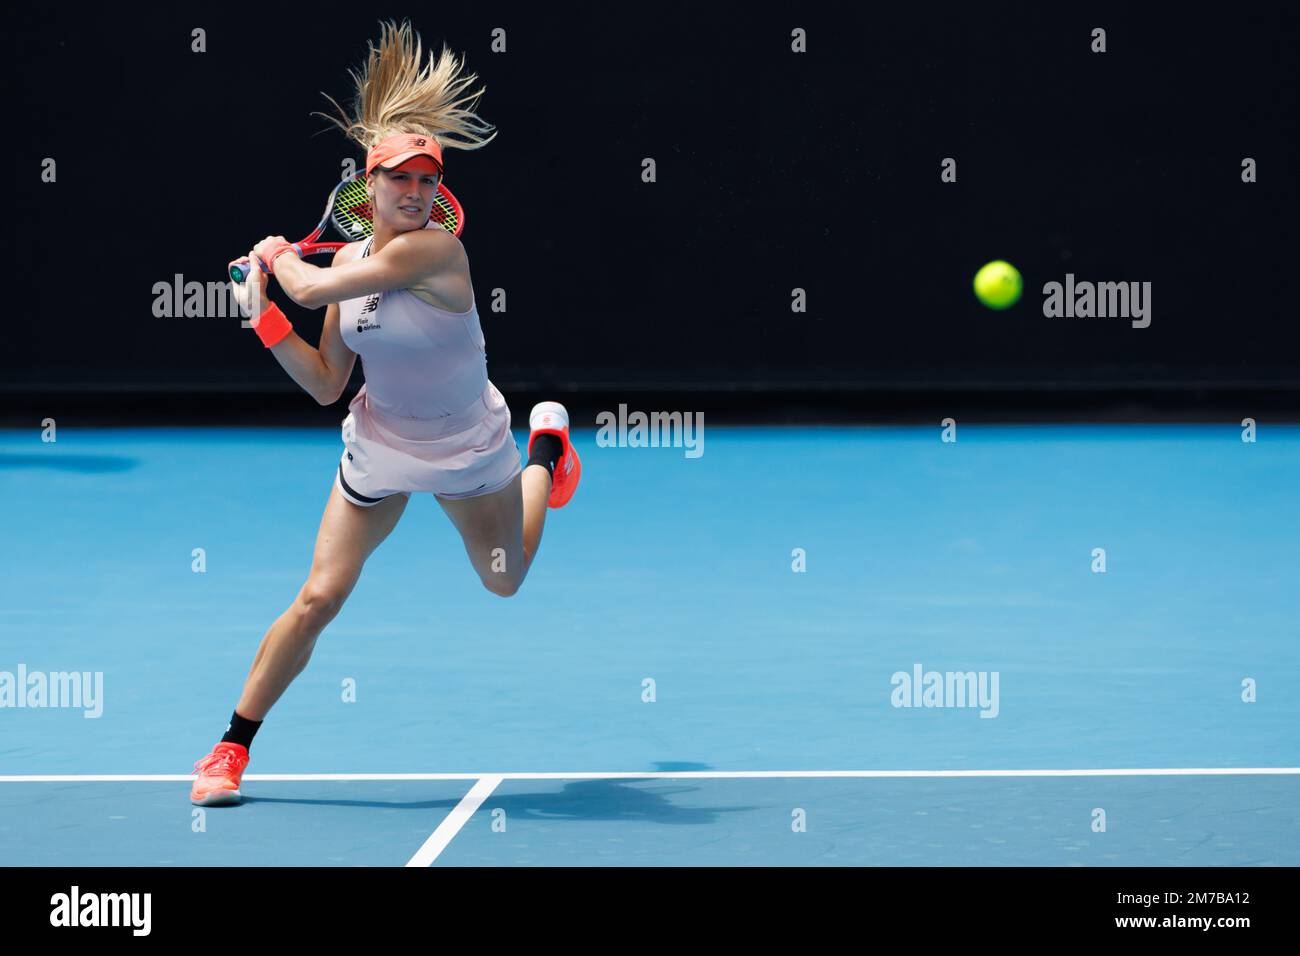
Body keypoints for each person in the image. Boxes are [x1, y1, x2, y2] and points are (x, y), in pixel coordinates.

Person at [191, 21, 580, 806]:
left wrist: (279, 263)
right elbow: (328, 381)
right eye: (399, 179)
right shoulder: (353, 266)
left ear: (440, 192)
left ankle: (544, 452)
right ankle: (230, 748)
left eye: (427, 180)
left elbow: (305, 287)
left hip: (469, 445)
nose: (414, 192)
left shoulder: (436, 253)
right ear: (369, 186)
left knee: (504, 582)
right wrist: (264, 319)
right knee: (318, 597)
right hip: (379, 443)